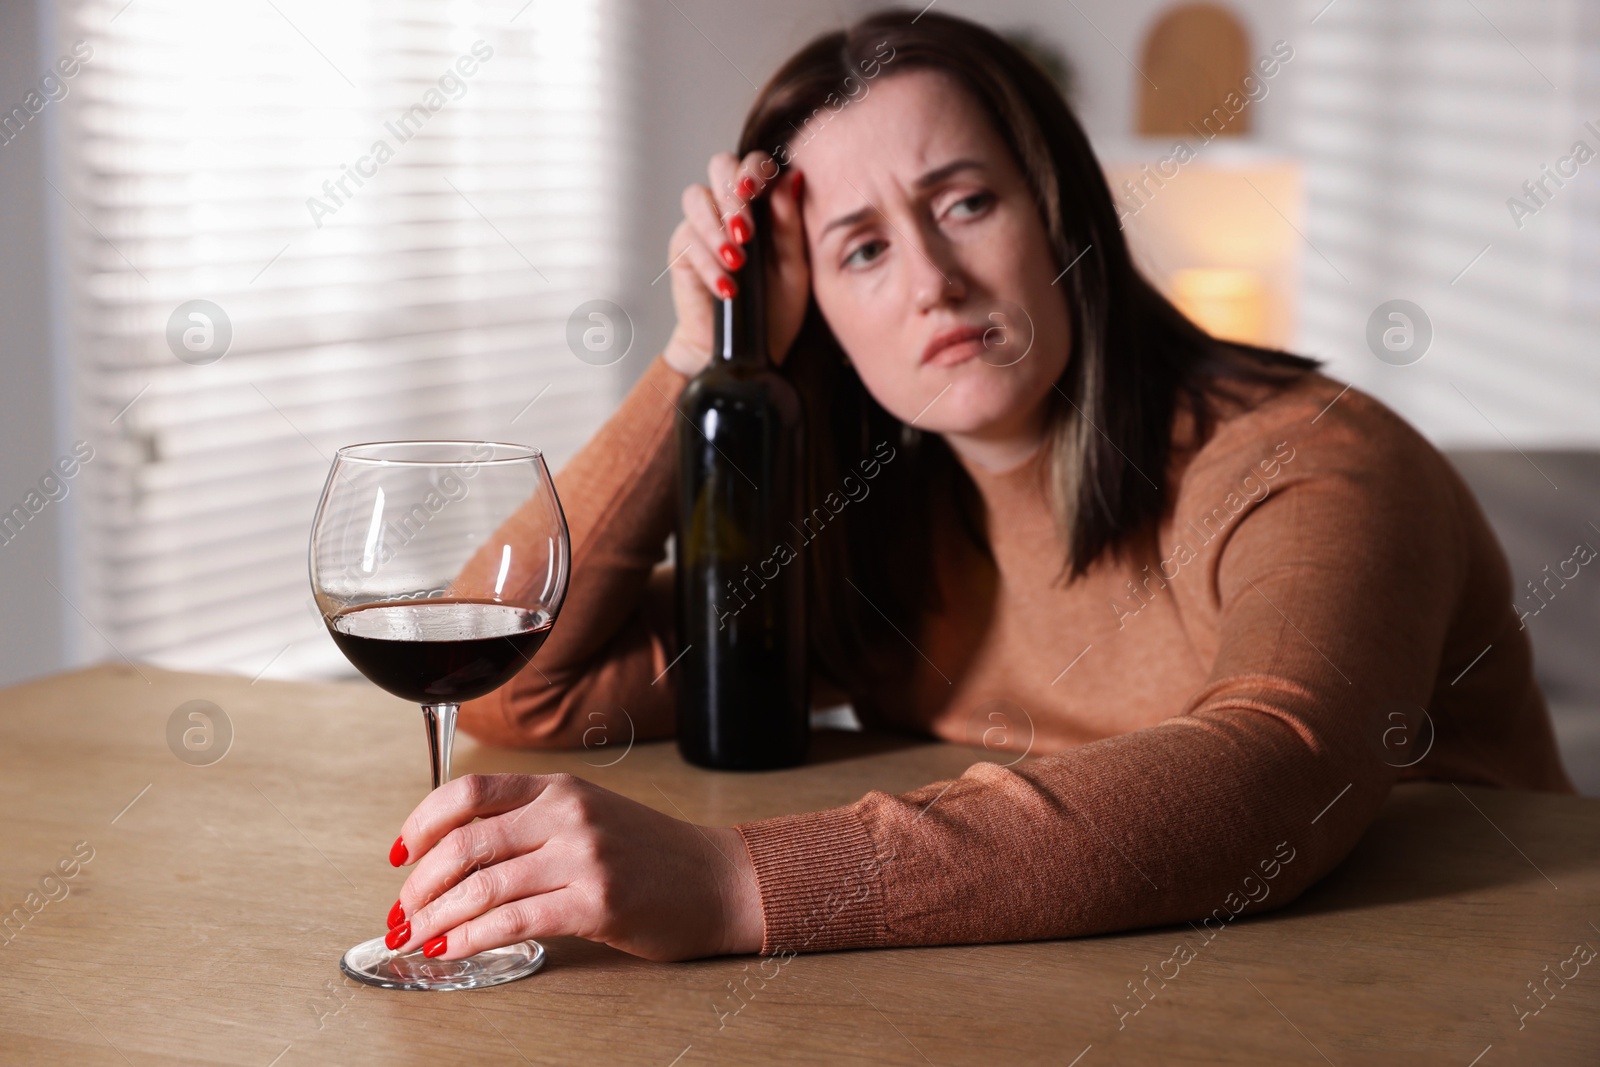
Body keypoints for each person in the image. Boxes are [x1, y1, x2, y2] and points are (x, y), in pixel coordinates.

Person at [374, 8, 1578, 966]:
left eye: (964, 201)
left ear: (1060, 213)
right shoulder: (869, 532)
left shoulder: (1313, 460)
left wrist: (733, 881)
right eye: (861, 248)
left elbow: (1282, 765)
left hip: (1434, 992)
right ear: (819, 310)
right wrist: (707, 352)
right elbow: (520, 683)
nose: (933, 281)